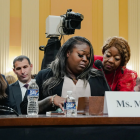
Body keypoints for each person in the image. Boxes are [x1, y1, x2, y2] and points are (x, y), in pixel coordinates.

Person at [21, 36, 109, 114]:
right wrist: (49, 100)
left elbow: (109, 106)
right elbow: (25, 108)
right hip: (57, 130)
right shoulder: (45, 76)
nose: (85, 59)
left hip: (91, 130)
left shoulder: (97, 78)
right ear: (68, 53)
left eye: (88, 57)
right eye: (80, 55)